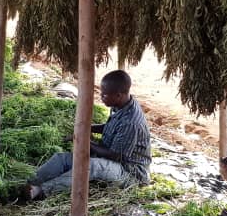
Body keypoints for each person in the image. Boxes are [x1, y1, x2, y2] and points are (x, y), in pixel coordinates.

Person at [24, 70, 151, 200]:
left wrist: (84, 141)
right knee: (61, 159)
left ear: (118, 95)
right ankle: (30, 183)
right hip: (113, 160)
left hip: (130, 173)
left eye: (104, 95)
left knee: (91, 166)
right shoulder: (121, 105)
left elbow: (117, 155)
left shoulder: (131, 122)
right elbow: (111, 128)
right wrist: (85, 129)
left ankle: (42, 191)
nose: (101, 97)